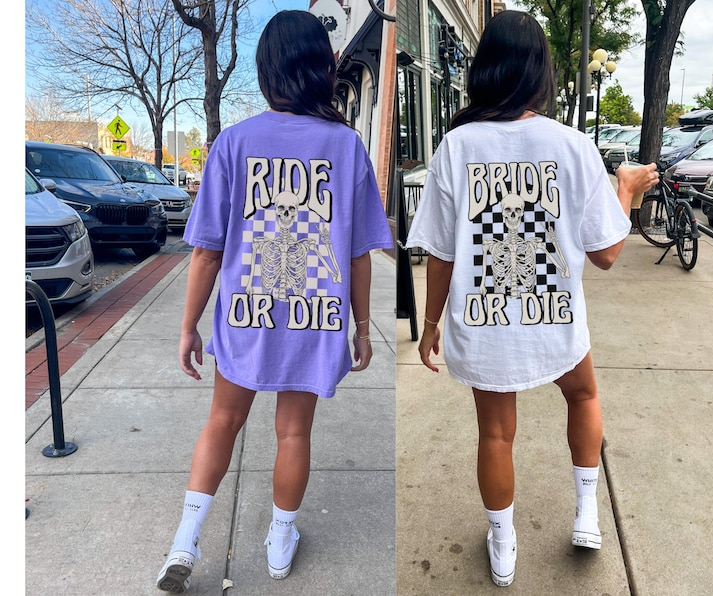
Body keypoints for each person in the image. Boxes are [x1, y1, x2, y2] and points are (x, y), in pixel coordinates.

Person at [404, 10, 658, 589]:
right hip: (554, 313)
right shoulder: (572, 145)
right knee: (584, 393)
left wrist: (430, 322)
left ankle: (502, 543)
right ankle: (588, 513)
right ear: (541, 71)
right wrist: (625, 189)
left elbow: (441, 251)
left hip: (484, 316)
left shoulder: (454, 146)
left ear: (484, 69)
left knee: (495, 434)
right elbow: (608, 253)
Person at [156, 10, 393, 593]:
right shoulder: (347, 146)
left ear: (266, 72)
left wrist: (189, 326)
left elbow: (207, 252)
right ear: (324, 69)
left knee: (222, 420)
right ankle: (281, 540)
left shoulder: (234, 143)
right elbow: (360, 253)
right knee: (294, 433)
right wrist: (362, 328)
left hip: (246, 315)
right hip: (315, 319)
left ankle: (184, 542)